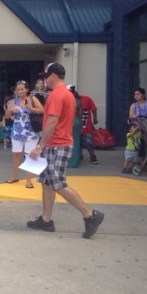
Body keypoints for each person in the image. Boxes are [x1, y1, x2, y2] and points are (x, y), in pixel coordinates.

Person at [28, 63, 104, 239]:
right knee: (47, 182)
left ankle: (89, 215)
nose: (44, 79)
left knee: (57, 183)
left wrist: (40, 146)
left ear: (53, 75)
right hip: (57, 143)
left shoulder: (56, 95)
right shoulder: (67, 94)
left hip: (57, 145)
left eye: (46, 76)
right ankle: (46, 220)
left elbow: (52, 122)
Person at [3, 80, 44, 188]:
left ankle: (28, 180)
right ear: (15, 91)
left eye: (22, 89)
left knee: (29, 156)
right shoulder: (12, 101)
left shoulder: (32, 99)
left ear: (26, 89)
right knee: (16, 154)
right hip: (17, 131)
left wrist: (32, 109)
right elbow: (7, 117)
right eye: (18, 89)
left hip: (31, 131)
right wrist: (10, 109)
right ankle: (14, 176)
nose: (20, 91)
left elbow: (43, 110)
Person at [78, 89, 99, 164]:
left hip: (86, 126)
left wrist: (95, 119)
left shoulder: (86, 99)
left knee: (89, 142)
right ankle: (79, 156)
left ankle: (93, 156)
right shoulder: (70, 100)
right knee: (78, 142)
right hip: (76, 127)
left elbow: (94, 109)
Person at [67, 85, 82, 168]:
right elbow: (80, 114)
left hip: (67, 122)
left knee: (66, 141)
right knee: (76, 142)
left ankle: (67, 161)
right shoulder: (78, 101)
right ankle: (75, 161)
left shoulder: (65, 99)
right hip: (76, 121)